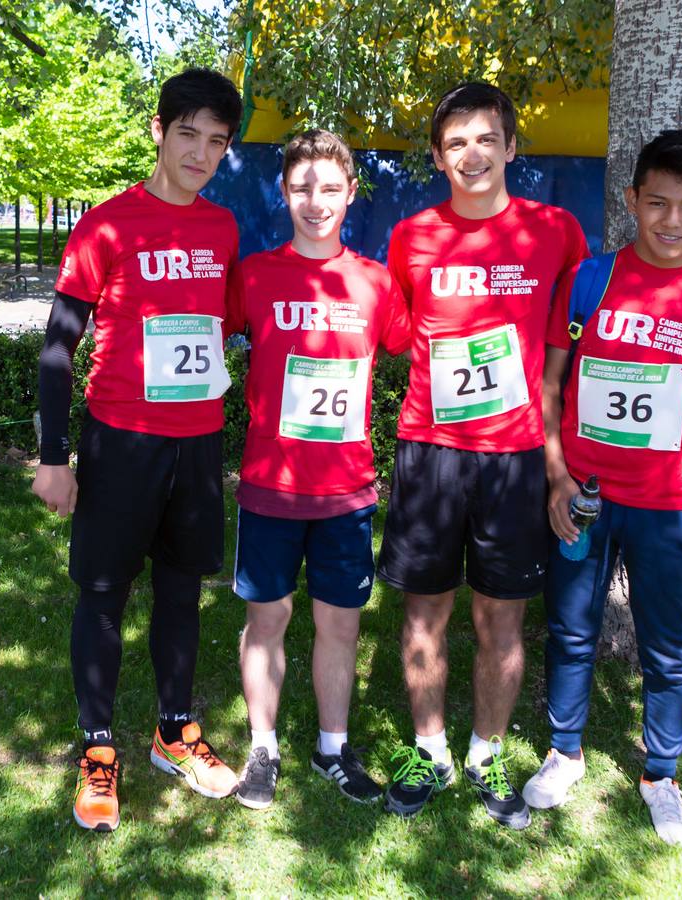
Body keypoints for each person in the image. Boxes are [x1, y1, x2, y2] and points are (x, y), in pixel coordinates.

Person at [525, 128, 682, 850]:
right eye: (656, 203)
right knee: (571, 630)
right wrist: (555, 474)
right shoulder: (589, 281)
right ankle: (563, 752)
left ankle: (659, 774)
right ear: (631, 198)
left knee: (669, 650)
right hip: (584, 500)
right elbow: (547, 386)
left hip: (671, 509)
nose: (669, 221)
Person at [32, 67, 244, 833]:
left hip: (196, 444)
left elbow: (222, 324)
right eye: (187, 133)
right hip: (119, 441)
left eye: (215, 141)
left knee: (182, 591)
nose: (199, 153)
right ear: (158, 131)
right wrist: (53, 454)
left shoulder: (222, 228)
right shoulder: (107, 224)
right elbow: (59, 347)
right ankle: (96, 750)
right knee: (102, 593)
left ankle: (173, 733)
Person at [377, 82, 589, 828]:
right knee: (424, 612)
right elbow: (399, 330)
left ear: (508, 146)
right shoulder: (411, 237)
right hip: (430, 450)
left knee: (502, 619)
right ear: (438, 156)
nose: (472, 153)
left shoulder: (555, 232)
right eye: (455, 141)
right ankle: (428, 749)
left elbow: (564, 340)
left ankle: (485, 752)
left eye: (485, 138)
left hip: (513, 457)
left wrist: (555, 448)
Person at [230, 130, 411, 811]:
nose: (315, 202)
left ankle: (332, 746)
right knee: (266, 618)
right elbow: (196, 331)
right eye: (302, 187)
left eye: (329, 188)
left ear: (350, 194)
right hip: (269, 487)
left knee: (340, 626)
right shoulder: (253, 276)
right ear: (283, 192)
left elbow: (415, 340)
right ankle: (262, 747)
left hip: (345, 491)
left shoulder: (374, 281)